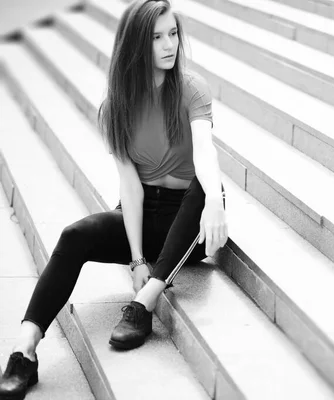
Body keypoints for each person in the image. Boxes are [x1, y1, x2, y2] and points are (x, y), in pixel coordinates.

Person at [0, 1, 228, 398]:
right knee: (74, 235)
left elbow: (206, 154)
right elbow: (130, 187)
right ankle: (24, 349)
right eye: (157, 37)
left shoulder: (192, 89)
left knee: (206, 187)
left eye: (173, 34)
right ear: (137, 45)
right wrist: (136, 258)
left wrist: (215, 203)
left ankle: (143, 306)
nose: (169, 44)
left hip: (189, 218)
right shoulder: (116, 110)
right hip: (143, 215)